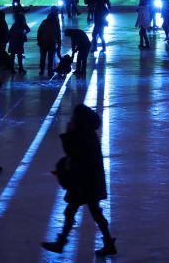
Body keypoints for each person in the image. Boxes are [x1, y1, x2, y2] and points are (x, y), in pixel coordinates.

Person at [41, 104, 116, 256]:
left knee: (73, 211)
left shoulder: (83, 134)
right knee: (92, 212)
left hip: (84, 183)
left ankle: (61, 243)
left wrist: (69, 133)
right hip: (90, 181)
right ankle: (108, 244)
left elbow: (73, 153)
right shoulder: (88, 132)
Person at [37, 9, 61, 76]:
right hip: (51, 43)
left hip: (43, 43)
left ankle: (42, 70)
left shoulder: (44, 22)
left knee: (43, 57)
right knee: (50, 58)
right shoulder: (55, 24)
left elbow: (39, 32)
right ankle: (49, 70)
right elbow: (58, 35)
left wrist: (39, 41)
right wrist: (59, 44)